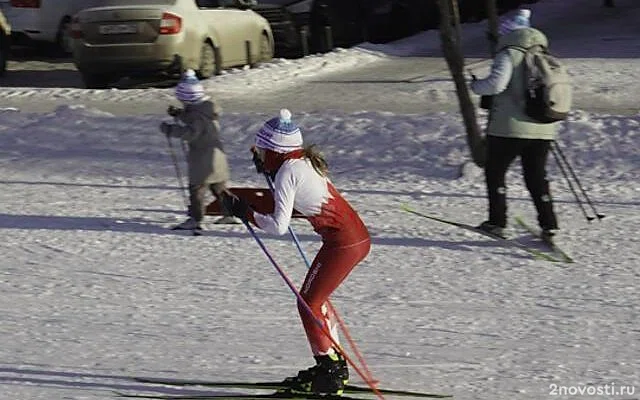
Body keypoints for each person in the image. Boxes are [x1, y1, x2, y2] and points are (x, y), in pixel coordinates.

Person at [224, 109, 371, 395]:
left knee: (308, 304)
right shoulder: (300, 162)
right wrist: (268, 169)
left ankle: (329, 372)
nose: (260, 154)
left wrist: (246, 212)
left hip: (343, 244)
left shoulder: (288, 172)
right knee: (315, 300)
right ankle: (332, 364)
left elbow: (279, 225)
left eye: (263, 150)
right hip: (350, 240)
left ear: (276, 151)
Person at [470, 9, 559, 240]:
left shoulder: (509, 52)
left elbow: (495, 85)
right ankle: (549, 225)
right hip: (543, 126)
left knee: (496, 172)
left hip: (509, 128)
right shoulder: (545, 54)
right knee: (536, 176)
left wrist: (477, 86)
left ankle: (497, 222)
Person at [160, 69, 238, 230]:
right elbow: (194, 118)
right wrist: (180, 114)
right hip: (216, 157)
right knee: (218, 187)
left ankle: (196, 219)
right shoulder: (206, 109)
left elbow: (191, 133)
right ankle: (229, 213)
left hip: (203, 156)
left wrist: (170, 129)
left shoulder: (198, 115)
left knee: (197, 189)